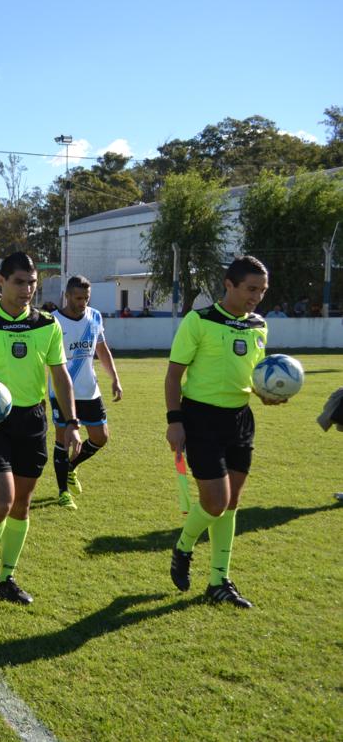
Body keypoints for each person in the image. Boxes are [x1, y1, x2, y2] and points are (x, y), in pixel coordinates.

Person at [0, 252, 80, 605]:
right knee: (2, 500)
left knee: (22, 504)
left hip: (32, 420)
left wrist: (71, 422)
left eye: (32, 283)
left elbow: (60, 376)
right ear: (2, 281)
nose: (27, 289)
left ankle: (7, 577)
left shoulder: (47, 325)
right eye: (19, 282)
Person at [165, 256, 280, 609]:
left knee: (230, 503)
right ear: (229, 284)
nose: (256, 297)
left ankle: (219, 581)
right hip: (201, 419)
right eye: (251, 289)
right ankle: (184, 546)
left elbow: (253, 374)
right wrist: (174, 421)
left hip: (240, 419)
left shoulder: (259, 325)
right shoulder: (199, 320)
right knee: (215, 502)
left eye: (262, 291)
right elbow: (173, 375)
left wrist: (266, 392)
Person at [50, 276, 124, 509]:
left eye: (86, 298)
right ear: (67, 296)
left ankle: (71, 467)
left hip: (89, 390)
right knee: (63, 439)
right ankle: (63, 492)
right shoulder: (53, 321)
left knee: (100, 437)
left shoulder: (95, 316)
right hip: (62, 391)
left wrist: (115, 378)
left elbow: (102, 349)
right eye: (78, 298)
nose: (82, 303)